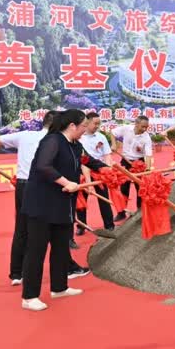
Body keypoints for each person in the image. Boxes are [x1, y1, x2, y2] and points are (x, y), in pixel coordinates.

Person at [0, 111, 89, 285]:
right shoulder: (57, 141)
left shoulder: (26, 136)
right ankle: (63, 271)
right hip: (47, 188)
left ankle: (17, 273)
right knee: (53, 232)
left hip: (24, 186)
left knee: (22, 230)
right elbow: (45, 167)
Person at [20, 110, 108, 311]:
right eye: (84, 126)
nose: (85, 130)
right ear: (72, 126)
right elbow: (43, 166)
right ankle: (29, 296)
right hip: (41, 204)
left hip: (62, 203)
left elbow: (88, 161)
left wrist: (107, 169)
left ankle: (59, 287)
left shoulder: (76, 145)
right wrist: (66, 181)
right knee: (37, 249)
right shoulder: (52, 141)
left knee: (61, 246)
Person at [77, 112, 114, 235]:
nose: (97, 126)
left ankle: (109, 225)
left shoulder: (101, 137)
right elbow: (83, 161)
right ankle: (81, 226)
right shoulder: (79, 137)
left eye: (99, 123)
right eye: (95, 123)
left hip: (99, 172)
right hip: (82, 172)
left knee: (104, 199)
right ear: (87, 123)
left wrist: (108, 170)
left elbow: (107, 154)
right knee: (81, 201)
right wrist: (88, 182)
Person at [110, 116, 153, 221]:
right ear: (136, 124)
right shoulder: (126, 129)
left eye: (146, 127)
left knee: (140, 188)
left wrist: (147, 170)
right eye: (142, 126)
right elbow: (112, 132)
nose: (144, 129)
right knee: (124, 187)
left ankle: (139, 211)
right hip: (125, 161)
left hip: (139, 163)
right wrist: (114, 144)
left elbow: (148, 154)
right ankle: (122, 212)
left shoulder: (146, 137)